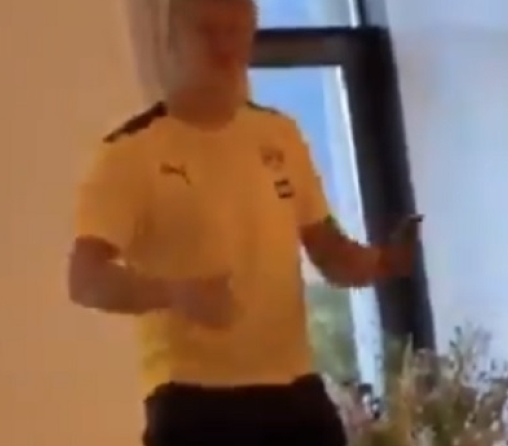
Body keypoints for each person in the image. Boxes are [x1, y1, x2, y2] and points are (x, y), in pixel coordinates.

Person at [67, 0, 421, 444]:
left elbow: (330, 253)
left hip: (294, 388)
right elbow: (85, 279)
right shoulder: (130, 153)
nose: (223, 48)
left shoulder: (280, 135)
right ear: (171, 42)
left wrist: (383, 262)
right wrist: (175, 293)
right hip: (195, 398)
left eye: (235, 32)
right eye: (207, 32)